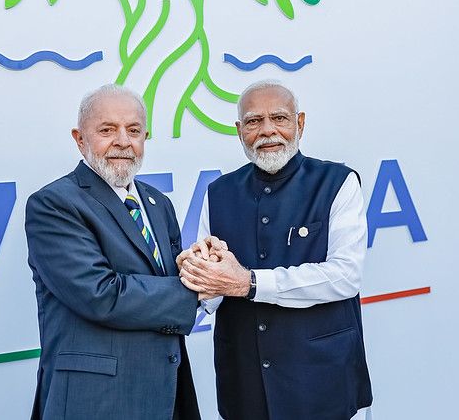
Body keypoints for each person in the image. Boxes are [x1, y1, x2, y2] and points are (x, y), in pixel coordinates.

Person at [177, 79, 373, 420]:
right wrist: (198, 276)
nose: (267, 130)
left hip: (322, 384)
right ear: (239, 131)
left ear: (300, 123)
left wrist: (250, 283)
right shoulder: (219, 192)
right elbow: (212, 291)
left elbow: (345, 276)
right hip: (245, 387)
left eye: (279, 118)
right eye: (254, 121)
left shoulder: (338, 182)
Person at [25, 84, 201, 420]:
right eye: (107, 130)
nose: (123, 141)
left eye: (133, 130)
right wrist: (198, 290)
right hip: (96, 401)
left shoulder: (157, 203)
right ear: (80, 139)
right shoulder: (54, 204)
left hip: (165, 394)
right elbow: (100, 294)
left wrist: (202, 266)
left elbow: (169, 276)